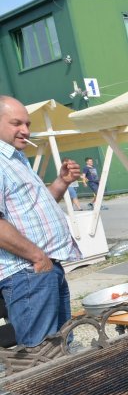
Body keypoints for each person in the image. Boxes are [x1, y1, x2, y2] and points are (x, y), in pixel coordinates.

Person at [0, 95, 82, 347]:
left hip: (42, 270)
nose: (25, 130)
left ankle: (68, 387)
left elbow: (34, 207)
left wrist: (62, 183)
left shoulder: (15, 158)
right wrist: (38, 257)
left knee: (61, 347)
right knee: (43, 353)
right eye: (16, 123)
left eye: (28, 124)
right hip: (27, 273)